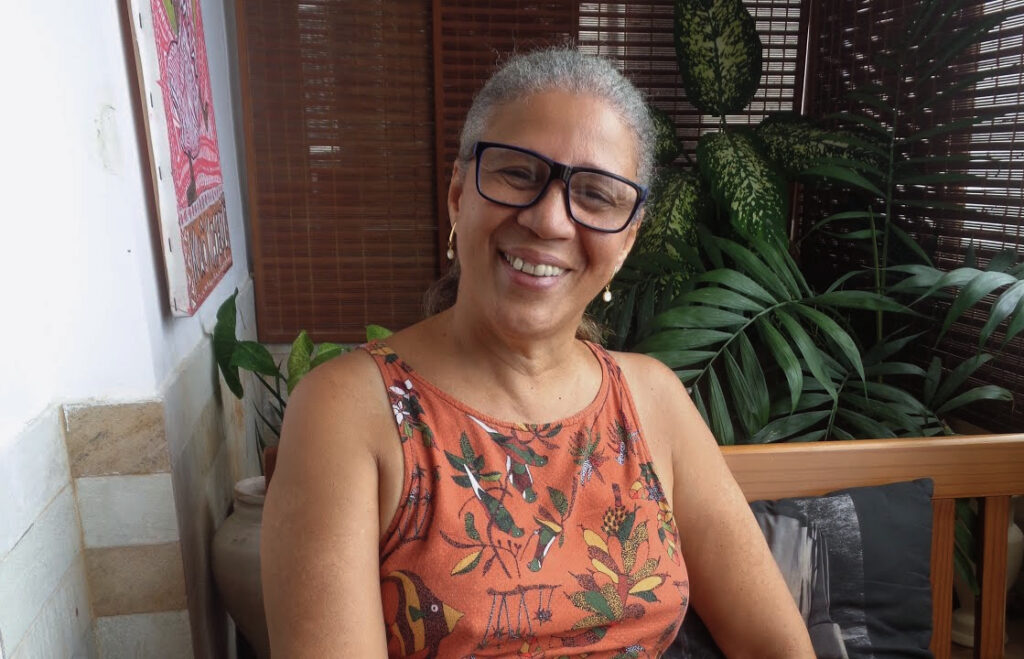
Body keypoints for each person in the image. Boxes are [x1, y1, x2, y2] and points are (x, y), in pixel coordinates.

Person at [262, 47, 814, 658]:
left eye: (598, 196)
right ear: (457, 195)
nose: (550, 220)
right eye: (518, 174)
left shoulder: (652, 398)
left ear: (628, 241)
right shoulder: (348, 409)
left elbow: (777, 647)